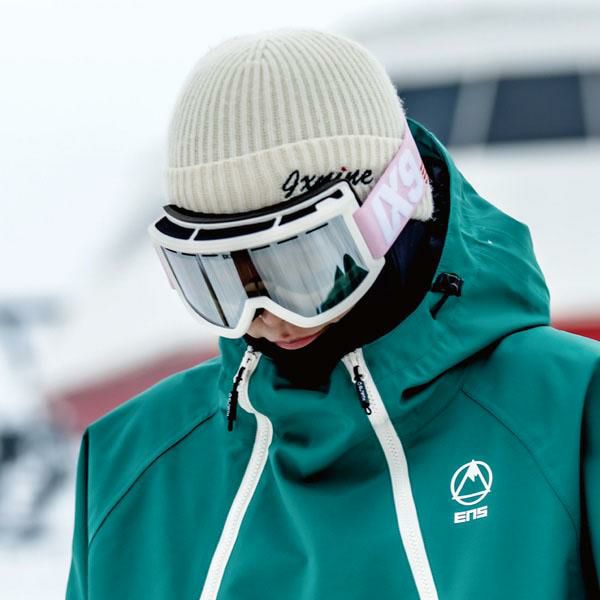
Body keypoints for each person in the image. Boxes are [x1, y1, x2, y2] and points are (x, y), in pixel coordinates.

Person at [66, 29, 599, 599]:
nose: (267, 316)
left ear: (394, 210)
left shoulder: (568, 413)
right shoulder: (130, 466)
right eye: (219, 279)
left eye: (300, 265)